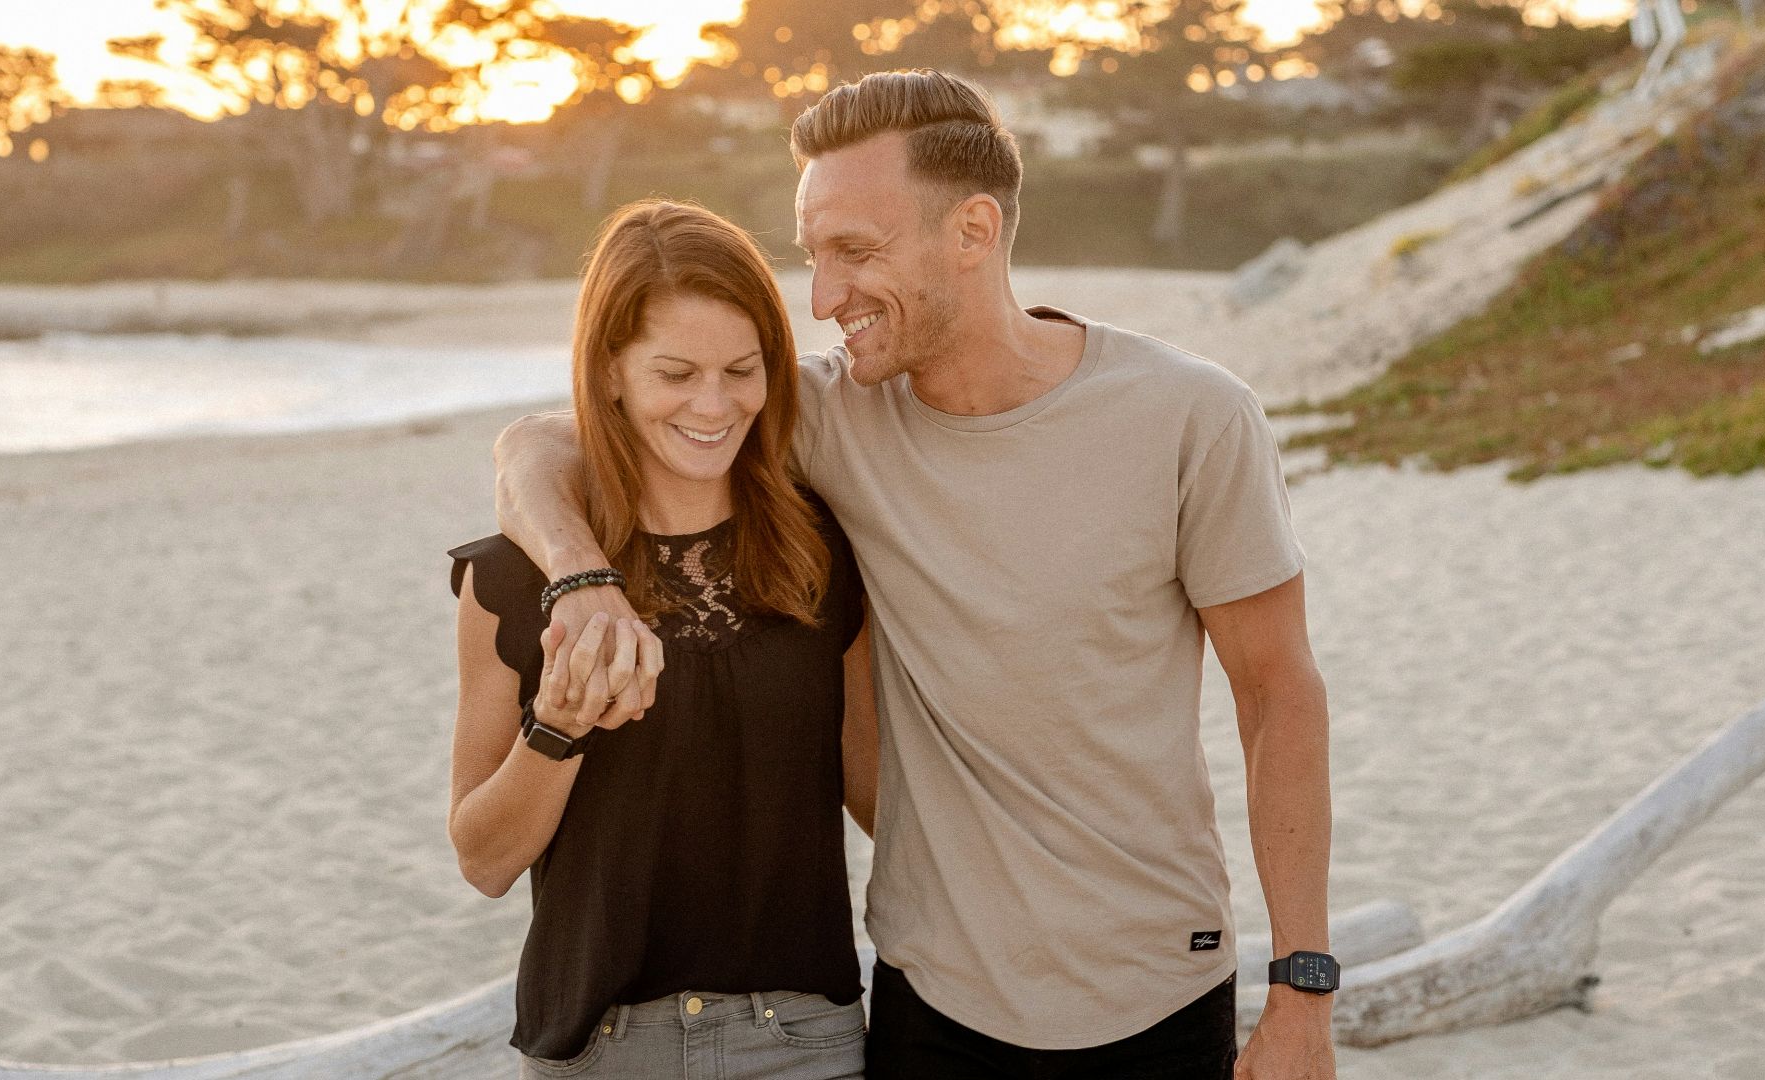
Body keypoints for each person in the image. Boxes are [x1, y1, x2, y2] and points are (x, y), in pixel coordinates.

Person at [493, 71, 1336, 1080]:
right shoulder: (824, 419)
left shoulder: (1193, 417)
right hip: (932, 995)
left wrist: (1301, 988)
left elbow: (1279, 695)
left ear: (973, 232)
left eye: (856, 251)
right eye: (815, 255)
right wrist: (580, 579)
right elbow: (541, 445)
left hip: (1159, 981)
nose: (823, 297)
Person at [447, 200, 877, 1080]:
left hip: (804, 1044)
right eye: (676, 373)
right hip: (597, 1052)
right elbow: (483, 860)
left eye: (742, 370)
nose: (714, 406)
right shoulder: (513, 581)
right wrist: (557, 725)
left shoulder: (823, 556)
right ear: (610, 373)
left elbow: (885, 802)